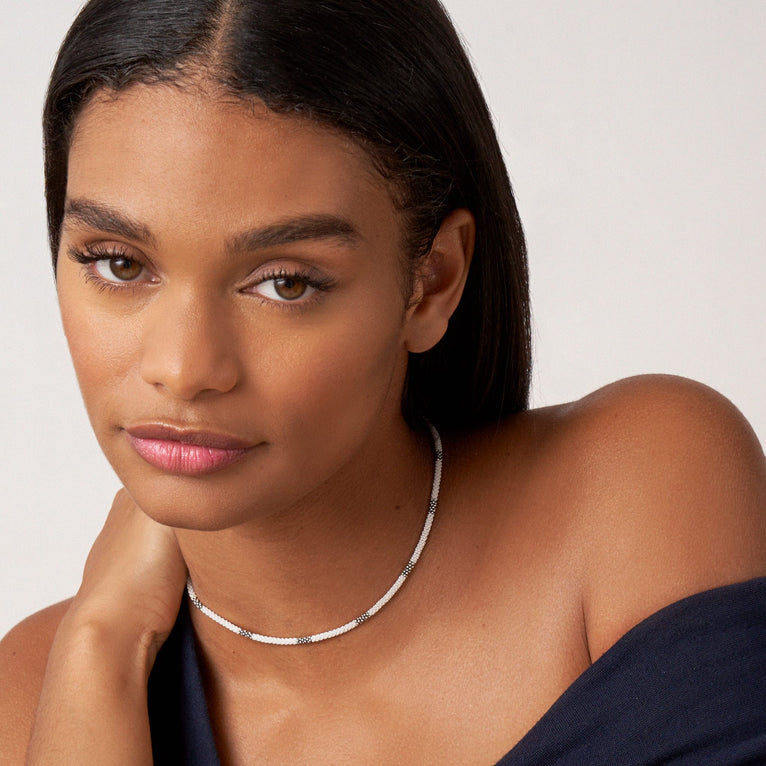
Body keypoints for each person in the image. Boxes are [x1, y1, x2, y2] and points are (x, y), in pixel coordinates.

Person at [1, 0, 765, 763]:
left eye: (286, 283)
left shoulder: (640, 493)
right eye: (119, 264)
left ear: (431, 284)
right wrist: (101, 645)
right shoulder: (38, 687)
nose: (183, 369)